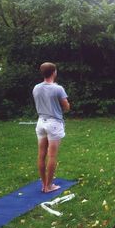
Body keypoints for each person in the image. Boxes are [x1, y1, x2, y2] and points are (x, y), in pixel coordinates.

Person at [33, 62, 70, 193]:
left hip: (40, 122)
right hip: (54, 123)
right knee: (52, 156)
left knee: (41, 155)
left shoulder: (36, 87)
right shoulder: (58, 88)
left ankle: (44, 184)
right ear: (54, 72)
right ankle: (49, 186)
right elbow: (66, 107)